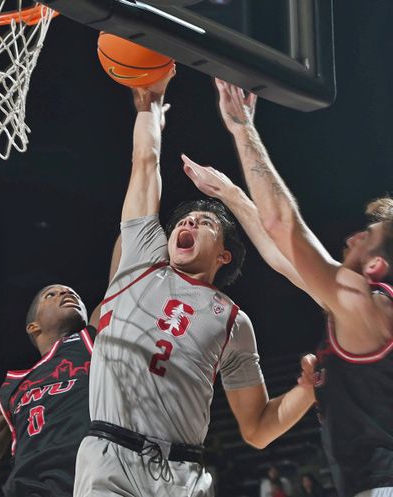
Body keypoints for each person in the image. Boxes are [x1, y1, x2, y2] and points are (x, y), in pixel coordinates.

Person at [73, 70, 316, 497]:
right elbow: (145, 163)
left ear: (224, 256)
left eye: (204, 223)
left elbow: (258, 428)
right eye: (185, 219)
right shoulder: (144, 256)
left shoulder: (233, 323)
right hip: (110, 458)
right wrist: (149, 105)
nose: (188, 221)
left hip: (182, 477)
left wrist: (305, 391)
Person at [181, 78, 393, 497]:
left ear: (376, 263)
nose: (351, 238)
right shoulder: (363, 309)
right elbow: (284, 257)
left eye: (364, 237)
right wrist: (231, 194)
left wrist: (243, 129)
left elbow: (284, 226)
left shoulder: (364, 308)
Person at [0, 285, 97, 497]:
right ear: (33, 326)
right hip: (29, 488)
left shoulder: (91, 341)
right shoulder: (14, 386)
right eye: (51, 294)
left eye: (75, 293)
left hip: (91, 481)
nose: (66, 293)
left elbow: (124, 279)